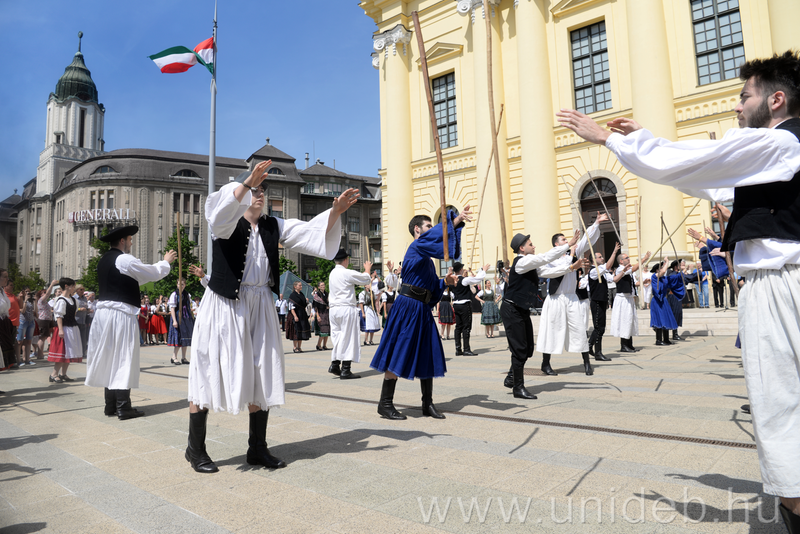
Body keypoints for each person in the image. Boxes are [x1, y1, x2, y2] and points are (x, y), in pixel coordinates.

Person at [558, 51, 800, 527]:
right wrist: (646, 143)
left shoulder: (781, 142)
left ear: (775, 100)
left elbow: (699, 164)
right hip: (779, 282)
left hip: (781, 285)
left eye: (744, 96)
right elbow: (711, 180)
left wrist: (609, 139)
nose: (737, 106)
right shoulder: (777, 153)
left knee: (781, 408)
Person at [184, 160, 355, 474]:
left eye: (263, 189)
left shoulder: (273, 225)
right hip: (225, 305)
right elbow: (219, 216)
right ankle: (195, 449)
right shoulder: (225, 221)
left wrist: (335, 212)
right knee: (209, 371)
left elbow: (312, 233)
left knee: (263, 373)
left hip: (261, 303)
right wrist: (245, 184)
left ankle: (257, 448)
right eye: (255, 188)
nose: (260, 193)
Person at [370, 208, 470, 420]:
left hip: (422, 308)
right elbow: (435, 237)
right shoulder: (415, 247)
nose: (432, 230)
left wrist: (445, 282)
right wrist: (455, 221)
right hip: (407, 307)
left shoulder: (427, 260)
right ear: (417, 229)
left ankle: (427, 404)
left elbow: (433, 286)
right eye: (428, 226)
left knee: (428, 352)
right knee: (399, 351)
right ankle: (385, 404)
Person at [85, 225, 177, 419]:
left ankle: (111, 406)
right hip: (120, 314)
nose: (131, 243)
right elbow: (150, 272)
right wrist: (166, 262)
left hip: (103, 314)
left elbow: (134, 278)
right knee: (123, 357)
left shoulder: (104, 260)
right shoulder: (123, 259)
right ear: (122, 241)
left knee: (110, 358)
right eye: (130, 239)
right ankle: (123, 407)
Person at [500, 232, 584, 398]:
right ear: (522, 248)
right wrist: (568, 245)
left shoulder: (530, 264)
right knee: (519, 349)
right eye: (530, 244)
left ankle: (511, 377)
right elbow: (545, 258)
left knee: (528, 348)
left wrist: (571, 268)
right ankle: (518, 387)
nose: (534, 246)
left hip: (521, 310)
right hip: (511, 309)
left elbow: (549, 272)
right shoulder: (522, 262)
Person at [536, 214, 607, 376]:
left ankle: (587, 363)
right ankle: (545, 363)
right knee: (552, 330)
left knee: (579, 329)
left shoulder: (573, 252)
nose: (567, 241)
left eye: (567, 239)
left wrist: (596, 223)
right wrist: (571, 253)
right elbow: (561, 268)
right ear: (556, 244)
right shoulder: (551, 256)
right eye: (563, 240)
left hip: (571, 298)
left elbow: (586, 240)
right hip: (556, 299)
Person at [328, 249, 372, 379]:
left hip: (334, 309)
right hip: (346, 308)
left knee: (338, 337)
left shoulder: (332, 273)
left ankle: (335, 364)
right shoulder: (345, 272)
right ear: (345, 259)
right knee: (349, 338)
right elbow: (365, 279)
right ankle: (345, 370)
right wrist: (367, 269)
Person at [610, 251, 651, 352]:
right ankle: (624, 345)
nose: (629, 259)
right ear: (621, 261)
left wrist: (643, 282)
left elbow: (634, 283)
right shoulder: (620, 269)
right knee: (625, 321)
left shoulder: (628, 271)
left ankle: (629, 344)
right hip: (623, 299)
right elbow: (634, 269)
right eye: (627, 258)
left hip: (629, 298)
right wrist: (644, 259)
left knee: (630, 321)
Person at [588, 242, 620, 361]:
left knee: (601, 327)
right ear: (594, 260)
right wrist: (614, 252)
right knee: (598, 328)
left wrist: (623, 271)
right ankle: (597, 352)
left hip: (602, 301)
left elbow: (614, 279)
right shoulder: (593, 271)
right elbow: (607, 266)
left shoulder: (603, 273)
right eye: (600, 257)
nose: (602, 258)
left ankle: (589, 346)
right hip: (596, 302)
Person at [48, 278, 83, 382]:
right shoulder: (61, 300)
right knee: (62, 352)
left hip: (72, 327)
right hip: (63, 328)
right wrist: (60, 330)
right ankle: (53, 374)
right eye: (73, 286)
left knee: (69, 352)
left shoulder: (74, 300)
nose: (74, 288)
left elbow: (74, 313)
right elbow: (59, 316)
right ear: (66, 286)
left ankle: (63, 374)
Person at [451, 262, 488, 356]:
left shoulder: (452, 280)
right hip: (464, 305)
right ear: (460, 270)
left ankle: (458, 349)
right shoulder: (464, 280)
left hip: (456, 304)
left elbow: (452, 293)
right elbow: (478, 279)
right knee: (466, 327)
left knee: (458, 327)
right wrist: (483, 270)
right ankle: (466, 349)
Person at [167, 281, 193, 364]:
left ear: (185, 285)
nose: (181, 286)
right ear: (177, 285)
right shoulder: (174, 294)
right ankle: (174, 357)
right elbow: (172, 309)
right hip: (178, 317)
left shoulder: (187, 294)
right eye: (179, 284)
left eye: (182, 284)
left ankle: (184, 357)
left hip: (186, 318)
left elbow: (189, 307)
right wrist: (174, 321)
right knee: (178, 337)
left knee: (185, 338)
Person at [35, 280, 59, 360]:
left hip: (46, 320)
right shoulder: (41, 300)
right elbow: (48, 293)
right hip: (43, 320)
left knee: (44, 337)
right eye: (44, 293)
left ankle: (40, 354)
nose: (46, 294)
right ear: (41, 295)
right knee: (42, 337)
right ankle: (40, 354)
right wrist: (52, 284)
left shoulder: (45, 302)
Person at [286, 281, 310, 353]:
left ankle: (299, 347)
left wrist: (306, 302)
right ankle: (295, 347)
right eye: (299, 285)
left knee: (301, 330)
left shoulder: (302, 294)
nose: (301, 286)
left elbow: (303, 305)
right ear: (295, 286)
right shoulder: (292, 295)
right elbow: (291, 307)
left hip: (302, 314)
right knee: (296, 331)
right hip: (296, 314)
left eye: (301, 285)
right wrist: (295, 316)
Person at [0, 269, 15, 379]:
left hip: (4, 322)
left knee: (3, 352)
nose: (7, 279)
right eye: (5, 277)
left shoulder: (2, 291)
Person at [16, 288, 36, 366]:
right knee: (19, 341)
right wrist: (25, 300)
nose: (28, 293)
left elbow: (35, 311)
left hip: (31, 322)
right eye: (26, 292)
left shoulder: (30, 301)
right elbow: (22, 311)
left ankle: (27, 360)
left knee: (28, 341)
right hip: (22, 321)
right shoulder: (20, 300)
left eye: (29, 292)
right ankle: (18, 360)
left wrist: (35, 301)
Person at [358, 281, 380, 345]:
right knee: (368, 325)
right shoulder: (362, 293)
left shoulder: (372, 292)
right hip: (366, 309)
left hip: (372, 310)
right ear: (365, 285)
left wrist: (376, 310)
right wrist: (363, 313)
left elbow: (375, 301)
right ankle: (366, 340)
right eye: (368, 284)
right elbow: (361, 303)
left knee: (372, 325)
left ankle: (371, 340)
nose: (369, 285)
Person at [4, 281, 19, 369]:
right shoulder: (3, 295)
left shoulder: (13, 296)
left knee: (12, 342)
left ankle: (12, 362)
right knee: (7, 343)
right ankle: (8, 362)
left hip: (14, 323)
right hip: (7, 322)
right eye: (11, 285)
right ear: (5, 286)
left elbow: (20, 307)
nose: (12, 287)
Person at [312, 281, 330, 350]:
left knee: (327, 330)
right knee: (322, 330)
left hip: (327, 313)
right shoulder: (317, 295)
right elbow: (315, 306)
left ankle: (324, 345)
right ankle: (318, 345)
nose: (323, 286)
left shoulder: (326, 293)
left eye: (324, 285)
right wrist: (318, 316)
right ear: (319, 287)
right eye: (321, 285)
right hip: (321, 313)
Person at [74, 285, 90, 356]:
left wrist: (88, 310)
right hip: (76, 320)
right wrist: (80, 309)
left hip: (83, 320)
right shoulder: (74, 298)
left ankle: (83, 353)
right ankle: (76, 353)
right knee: (76, 338)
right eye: (81, 289)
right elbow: (72, 308)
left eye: (83, 289)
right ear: (77, 290)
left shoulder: (84, 298)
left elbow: (86, 307)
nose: (82, 291)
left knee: (83, 338)